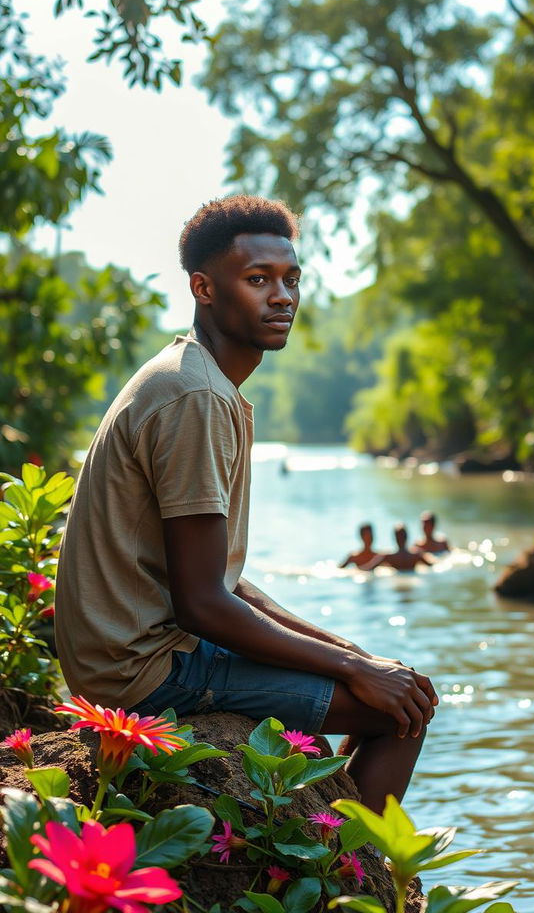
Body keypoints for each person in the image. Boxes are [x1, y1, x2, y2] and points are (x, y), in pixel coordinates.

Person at [55, 195, 438, 814]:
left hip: (148, 648)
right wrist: (359, 676)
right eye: (257, 280)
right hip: (144, 670)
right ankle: (352, 888)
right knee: (403, 711)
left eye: (291, 280)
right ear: (203, 288)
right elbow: (203, 604)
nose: (281, 297)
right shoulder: (194, 395)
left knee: (386, 680)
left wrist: (352, 656)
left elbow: (225, 583)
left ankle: (326, 830)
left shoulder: (202, 381)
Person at [365, 524, 433, 572]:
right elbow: (433, 566)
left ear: (395, 538)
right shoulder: (416, 555)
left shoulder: (387, 556)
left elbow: (367, 568)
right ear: (406, 537)